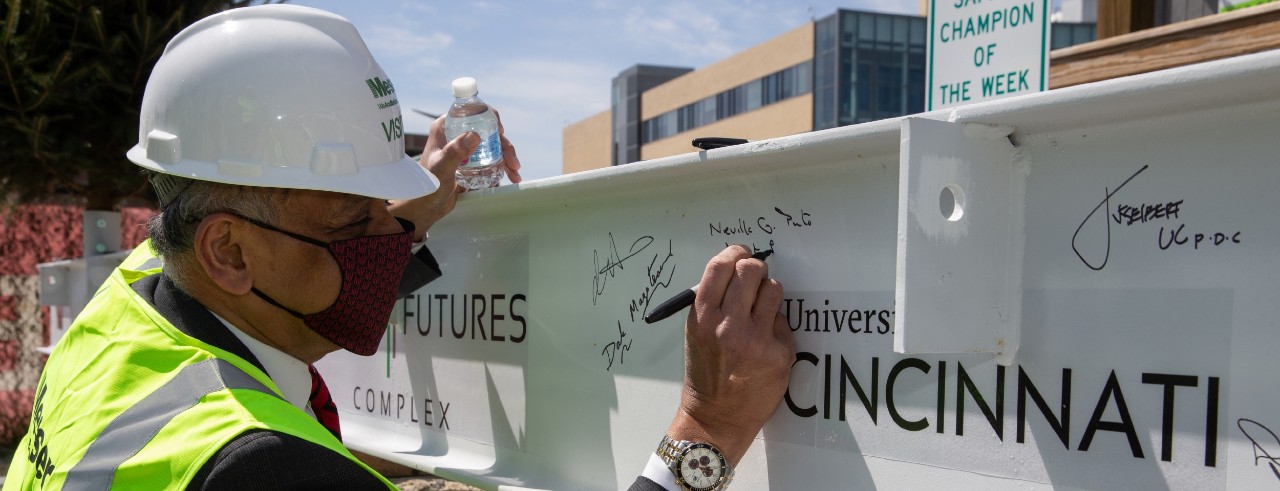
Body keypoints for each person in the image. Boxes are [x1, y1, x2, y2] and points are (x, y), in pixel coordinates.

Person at [2, 5, 793, 491]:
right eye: (355, 218)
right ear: (229, 252)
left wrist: (415, 198)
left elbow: (322, 250)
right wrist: (705, 431)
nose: (390, 234)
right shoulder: (260, 468)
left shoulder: (134, 300)